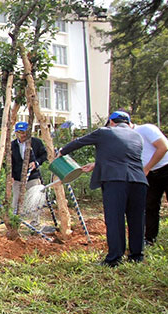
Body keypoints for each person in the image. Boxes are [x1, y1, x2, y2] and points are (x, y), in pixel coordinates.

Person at [59, 111, 147, 266]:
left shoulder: (105, 132)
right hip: (139, 181)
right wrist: (96, 164)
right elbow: (123, 157)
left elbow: (80, 141)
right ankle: (137, 256)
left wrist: (61, 151)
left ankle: (114, 258)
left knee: (114, 219)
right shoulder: (137, 136)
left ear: (111, 122)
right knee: (136, 219)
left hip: (116, 181)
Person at [10, 121, 47, 221]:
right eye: (19, 132)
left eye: (24, 132)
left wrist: (36, 163)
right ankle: (16, 221)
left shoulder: (36, 143)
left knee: (35, 199)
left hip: (32, 176)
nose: (22, 135)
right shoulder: (12, 145)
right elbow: (9, 162)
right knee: (16, 200)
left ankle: (35, 221)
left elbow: (44, 155)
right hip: (18, 177)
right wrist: (11, 176)